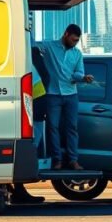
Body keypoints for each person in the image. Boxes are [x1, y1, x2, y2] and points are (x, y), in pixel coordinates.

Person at [40, 24, 94, 170]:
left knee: (72, 127)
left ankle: (73, 160)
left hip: (71, 95)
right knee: (53, 127)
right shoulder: (49, 46)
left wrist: (83, 78)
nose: (75, 43)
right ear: (66, 34)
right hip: (53, 94)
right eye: (73, 40)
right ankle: (57, 160)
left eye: (77, 41)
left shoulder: (77, 54)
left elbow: (77, 73)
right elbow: (31, 44)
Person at [10, 46, 50, 205]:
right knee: (29, 149)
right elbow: (44, 81)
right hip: (34, 115)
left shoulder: (27, 65)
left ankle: (17, 190)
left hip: (36, 112)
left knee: (28, 150)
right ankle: (18, 190)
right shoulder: (27, 65)